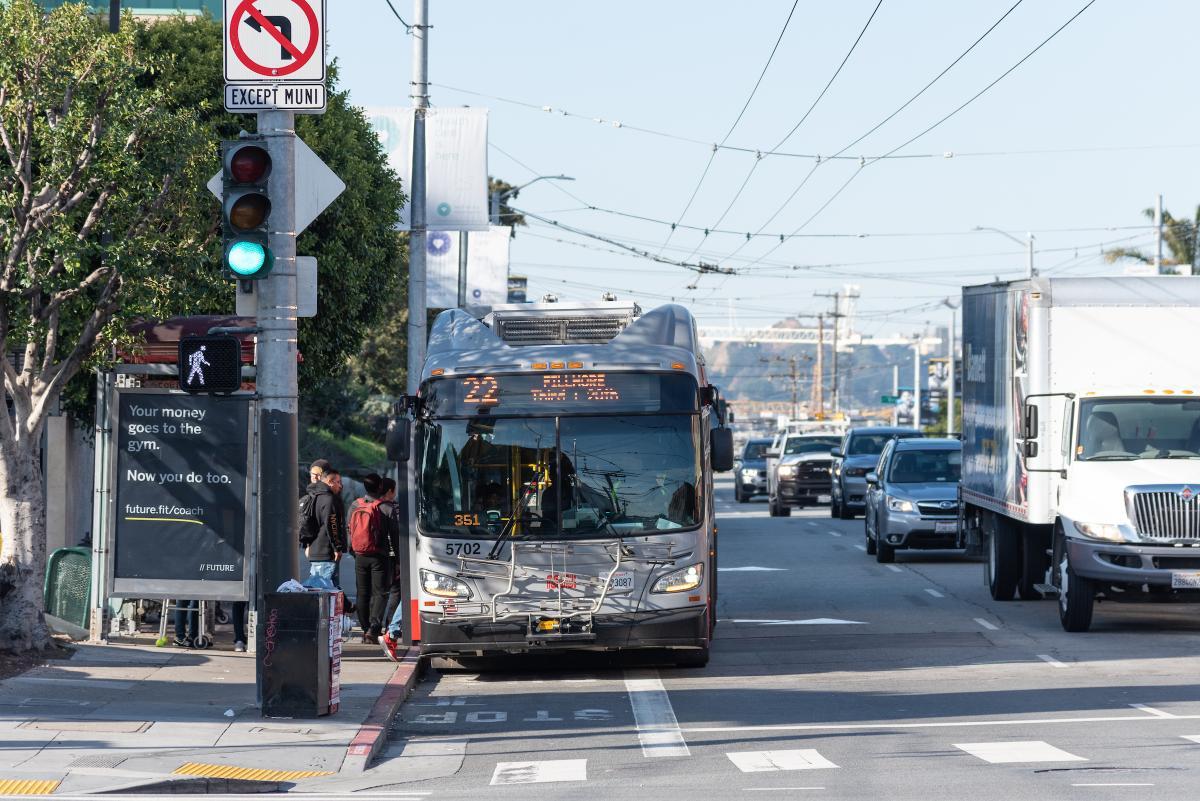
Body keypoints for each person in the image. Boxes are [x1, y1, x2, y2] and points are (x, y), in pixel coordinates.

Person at [349, 473, 391, 645]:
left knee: (362, 592)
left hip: (360, 554)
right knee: (380, 592)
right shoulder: (385, 508)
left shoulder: (355, 505)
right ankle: (374, 629)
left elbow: (348, 529)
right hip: (379, 555)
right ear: (380, 487)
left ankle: (365, 628)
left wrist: (354, 551)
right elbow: (394, 535)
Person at [303, 466, 346, 584]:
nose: (340, 486)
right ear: (330, 482)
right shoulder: (329, 499)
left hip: (315, 550)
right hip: (326, 552)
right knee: (325, 591)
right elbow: (332, 524)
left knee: (318, 589)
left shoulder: (314, 497)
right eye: (338, 482)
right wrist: (337, 547)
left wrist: (306, 545)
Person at [378, 477, 405, 662]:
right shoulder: (393, 509)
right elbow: (397, 535)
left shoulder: (362, 505)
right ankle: (391, 632)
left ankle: (389, 631)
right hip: (395, 557)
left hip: (378, 556)